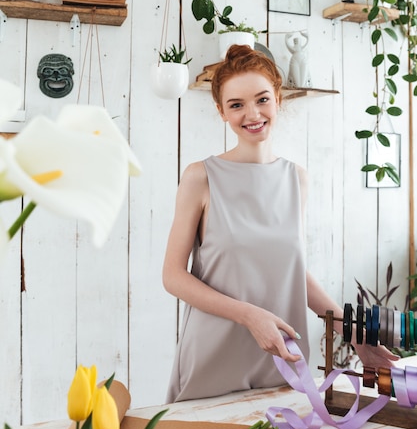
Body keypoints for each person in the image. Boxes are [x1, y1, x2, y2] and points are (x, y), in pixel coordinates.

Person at [162, 44, 397, 403]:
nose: (252, 113)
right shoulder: (200, 177)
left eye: (262, 99)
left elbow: (293, 271)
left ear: (279, 99)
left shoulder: (295, 179)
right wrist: (250, 316)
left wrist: (355, 334)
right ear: (221, 112)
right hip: (213, 356)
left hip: (281, 359)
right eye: (236, 104)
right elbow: (173, 276)